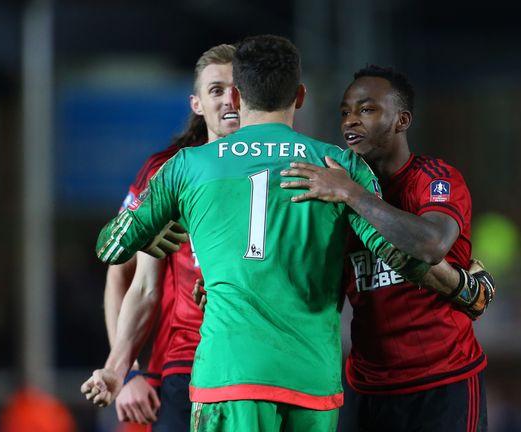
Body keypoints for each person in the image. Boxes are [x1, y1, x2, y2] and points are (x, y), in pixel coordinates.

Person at [82, 34, 476, 432]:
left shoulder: (186, 167)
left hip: (228, 374)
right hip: (312, 380)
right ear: (300, 96)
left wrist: (147, 235)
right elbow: (398, 255)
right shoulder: (338, 167)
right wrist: (464, 287)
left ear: (237, 99)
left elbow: (112, 247)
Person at [280, 65, 493, 431]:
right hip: (367, 386)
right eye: (345, 111)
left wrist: (351, 193)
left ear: (401, 119)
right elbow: (314, 282)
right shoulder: (333, 193)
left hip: (443, 382)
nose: (351, 121)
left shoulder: (433, 179)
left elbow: (431, 244)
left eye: (366, 109)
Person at [100, 43, 239, 431]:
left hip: (256, 358)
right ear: (196, 103)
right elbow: (122, 273)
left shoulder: (280, 166)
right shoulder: (168, 171)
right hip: (183, 359)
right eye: (216, 89)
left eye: (239, 88)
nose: (230, 99)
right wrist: (126, 371)